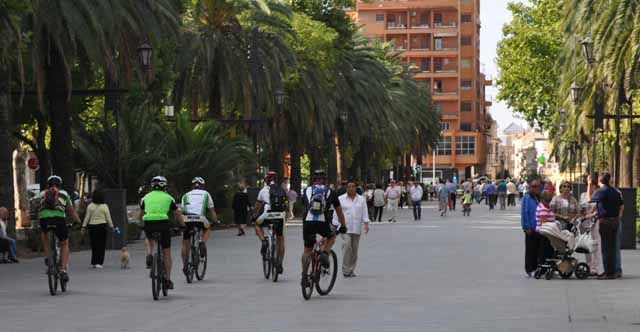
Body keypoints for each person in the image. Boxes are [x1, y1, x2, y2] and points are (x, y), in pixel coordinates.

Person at [301, 170, 347, 287]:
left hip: (308, 222)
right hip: (322, 222)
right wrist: (343, 225)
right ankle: (325, 253)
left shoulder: (307, 190)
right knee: (331, 236)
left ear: (313, 179)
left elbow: (304, 206)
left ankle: (304, 276)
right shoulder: (330, 191)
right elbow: (339, 211)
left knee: (307, 249)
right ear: (325, 180)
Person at [141, 176, 185, 290]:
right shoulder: (168, 197)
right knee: (166, 252)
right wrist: (182, 225)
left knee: (148, 237)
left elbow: (142, 212)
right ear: (164, 186)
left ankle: (149, 254)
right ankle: (168, 279)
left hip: (149, 222)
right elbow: (177, 213)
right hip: (163, 224)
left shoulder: (145, 197)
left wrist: (141, 223)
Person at [37, 175, 81, 283]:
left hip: (44, 219)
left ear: (47, 185)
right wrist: (78, 222)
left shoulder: (42, 194)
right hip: (59, 219)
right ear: (60, 185)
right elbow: (71, 211)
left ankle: (49, 258)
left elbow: (35, 208)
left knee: (44, 235)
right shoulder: (64, 194)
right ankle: (63, 270)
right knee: (64, 243)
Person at [252, 171, 288, 274]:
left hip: (267, 214)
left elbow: (257, 207)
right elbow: (286, 203)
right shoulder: (281, 189)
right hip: (280, 216)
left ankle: (263, 241)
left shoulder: (263, 190)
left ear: (266, 180)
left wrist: (254, 216)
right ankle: (280, 263)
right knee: (281, 239)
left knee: (257, 225)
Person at [181, 177, 217, 276]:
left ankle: (185, 264)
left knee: (185, 243)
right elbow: (212, 211)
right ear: (203, 186)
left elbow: (182, 211)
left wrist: (180, 224)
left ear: (192, 186)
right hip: (200, 219)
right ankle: (202, 242)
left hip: (187, 219)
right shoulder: (206, 194)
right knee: (208, 228)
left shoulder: (186, 195)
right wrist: (215, 221)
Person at [590, 172, 623, 280]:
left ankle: (607, 273)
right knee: (613, 247)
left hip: (605, 222)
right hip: (615, 221)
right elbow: (620, 205)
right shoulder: (615, 192)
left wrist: (590, 184)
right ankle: (613, 272)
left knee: (605, 247)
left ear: (601, 180)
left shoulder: (601, 191)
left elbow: (591, 198)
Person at [337, 181, 369, 277]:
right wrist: (335, 225)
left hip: (356, 227)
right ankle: (345, 269)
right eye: (349, 187)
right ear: (346, 188)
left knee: (354, 250)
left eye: (353, 186)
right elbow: (337, 212)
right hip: (344, 227)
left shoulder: (361, 199)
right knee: (347, 246)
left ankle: (351, 269)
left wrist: (366, 224)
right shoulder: (341, 199)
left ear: (356, 188)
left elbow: (364, 212)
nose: (351, 188)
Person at [81, 190, 114, 268]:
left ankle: (94, 262)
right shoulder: (104, 206)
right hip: (102, 226)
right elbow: (108, 218)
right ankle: (99, 262)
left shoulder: (90, 206)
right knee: (101, 245)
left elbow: (87, 217)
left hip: (92, 227)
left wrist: (83, 227)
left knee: (94, 245)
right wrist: (111, 226)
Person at [580, 173, 602, 276]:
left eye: (593, 184)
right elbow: (582, 207)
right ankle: (589, 266)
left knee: (596, 245)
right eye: (588, 184)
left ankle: (596, 268)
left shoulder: (598, 195)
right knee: (586, 246)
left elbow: (594, 204)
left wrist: (591, 214)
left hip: (595, 223)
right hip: (585, 224)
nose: (591, 186)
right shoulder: (583, 195)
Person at [521, 178, 541, 277]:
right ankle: (530, 269)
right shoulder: (527, 198)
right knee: (530, 249)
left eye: (537, 186)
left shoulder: (538, 198)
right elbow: (524, 213)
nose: (536, 188)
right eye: (534, 186)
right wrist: (526, 227)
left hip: (538, 227)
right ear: (530, 187)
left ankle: (536, 267)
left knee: (536, 248)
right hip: (530, 228)